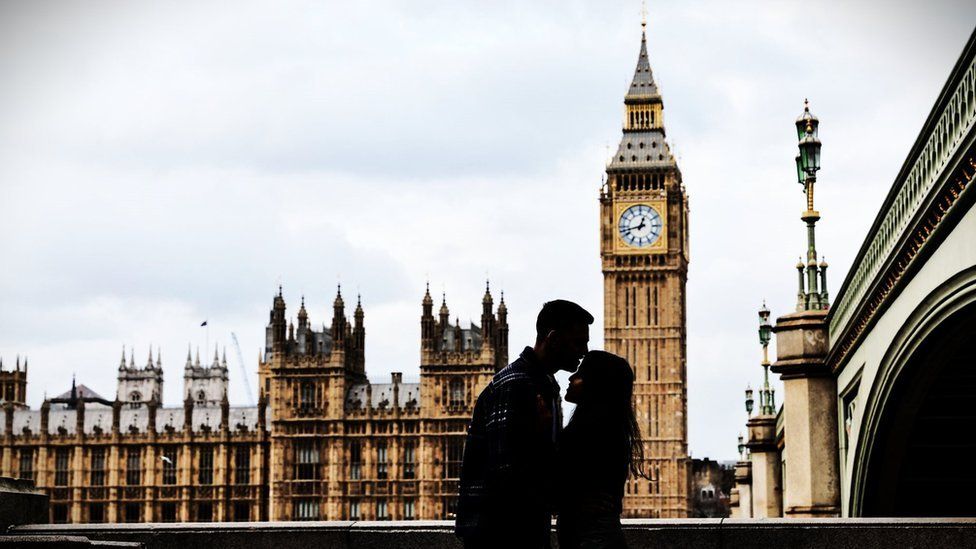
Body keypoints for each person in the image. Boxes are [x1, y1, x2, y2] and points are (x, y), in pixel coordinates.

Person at [455, 299, 593, 549]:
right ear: (552, 339)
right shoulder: (517, 384)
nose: (584, 351)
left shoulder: (543, 383)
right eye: (578, 342)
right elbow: (506, 475)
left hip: (523, 530)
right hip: (501, 535)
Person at [556, 351, 645, 549]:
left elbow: (559, 484)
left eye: (580, 374)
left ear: (596, 384)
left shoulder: (591, 434)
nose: (571, 378)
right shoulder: (608, 430)